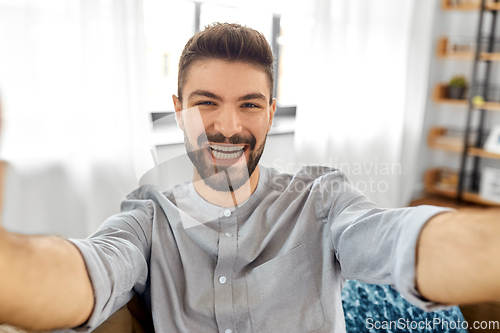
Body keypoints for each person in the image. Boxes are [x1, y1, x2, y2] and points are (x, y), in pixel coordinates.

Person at [1, 23, 500, 333]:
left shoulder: (320, 198)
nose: (229, 127)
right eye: (205, 103)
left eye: (250, 105)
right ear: (178, 112)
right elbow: (89, 270)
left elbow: (399, 242)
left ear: (271, 112)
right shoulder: (149, 215)